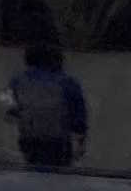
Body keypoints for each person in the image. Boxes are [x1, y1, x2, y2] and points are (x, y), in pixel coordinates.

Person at [7, 41, 89, 169]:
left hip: (29, 140)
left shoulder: (17, 80)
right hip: (58, 143)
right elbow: (79, 118)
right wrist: (81, 143)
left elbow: (8, 105)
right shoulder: (68, 82)